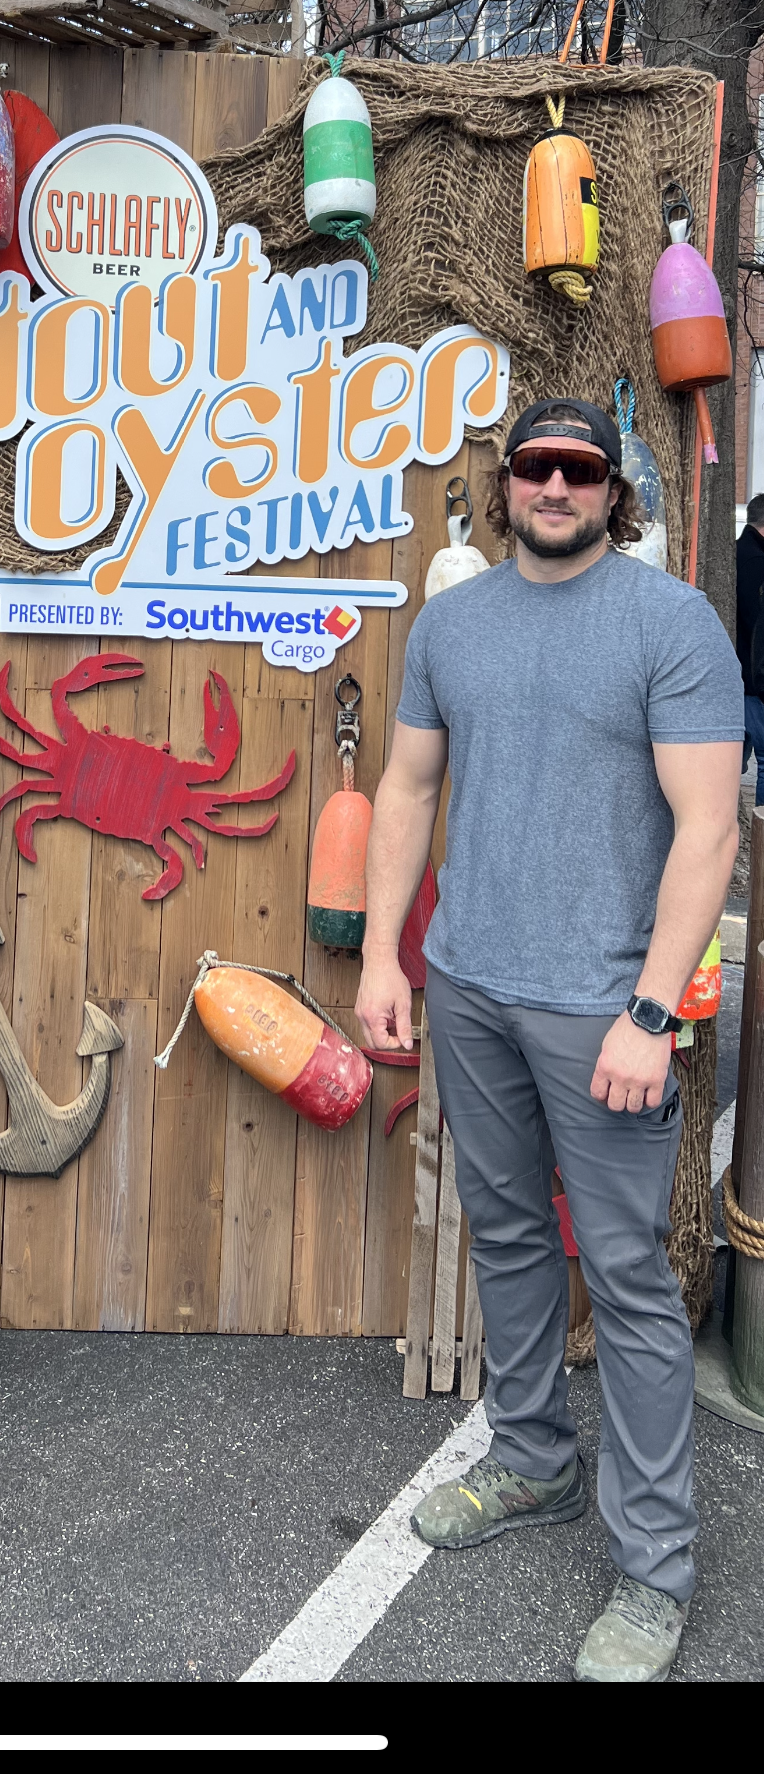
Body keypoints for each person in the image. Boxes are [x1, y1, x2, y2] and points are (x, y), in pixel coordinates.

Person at [356, 397, 742, 1685]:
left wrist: (649, 1010)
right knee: (509, 1232)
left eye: (581, 468)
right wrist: (380, 957)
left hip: (602, 1009)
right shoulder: (453, 624)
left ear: (611, 491)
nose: (558, 484)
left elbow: (708, 832)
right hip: (468, 983)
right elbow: (407, 788)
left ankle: (654, 1571)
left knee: (628, 1279)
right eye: (537, 466)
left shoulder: (670, 623)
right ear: (506, 483)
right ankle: (531, 1462)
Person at [735, 492, 764, 774]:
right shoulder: (755, 560)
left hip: (744, 674)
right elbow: (756, 622)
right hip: (752, 680)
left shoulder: (739, 550)